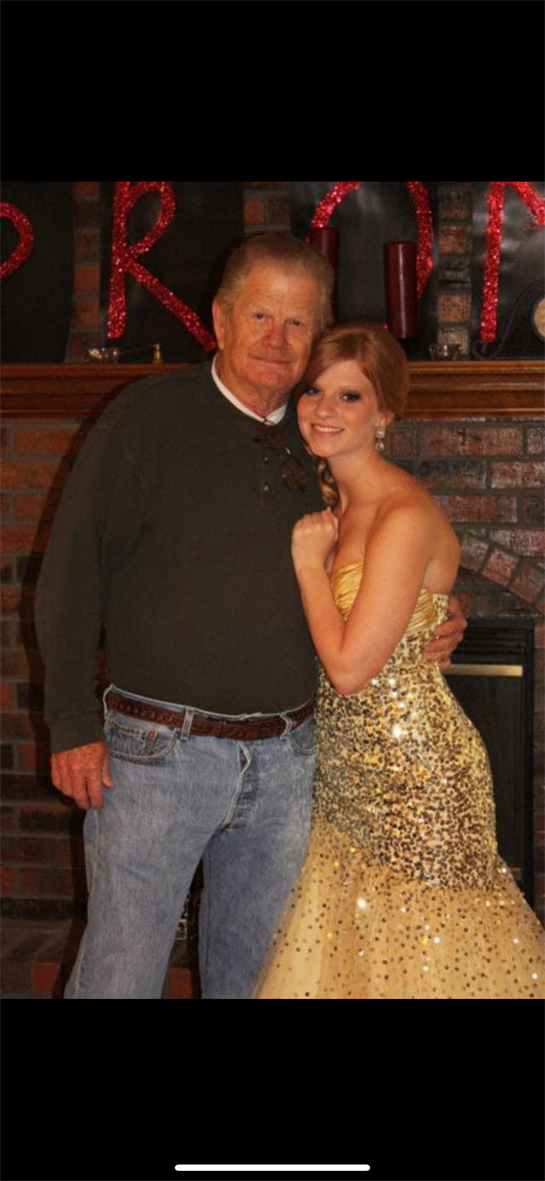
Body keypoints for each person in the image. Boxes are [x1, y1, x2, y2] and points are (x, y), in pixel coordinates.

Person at [36, 235, 466, 1000]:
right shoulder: (146, 417)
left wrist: (430, 615)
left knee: (261, 978)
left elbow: (381, 560)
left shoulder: (322, 443)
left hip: (289, 761)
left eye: (298, 323)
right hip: (156, 756)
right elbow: (70, 574)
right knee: (119, 975)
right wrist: (70, 720)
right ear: (221, 319)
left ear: (319, 332)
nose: (277, 339)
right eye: (260, 315)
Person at [255, 320, 545, 1000]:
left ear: (385, 410)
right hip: (343, 772)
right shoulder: (323, 497)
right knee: (362, 963)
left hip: (415, 775)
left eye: (349, 397)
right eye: (313, 390)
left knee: (432, 963)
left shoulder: (401, 512)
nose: (324, 409)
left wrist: (305, 566)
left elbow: (351, 669)